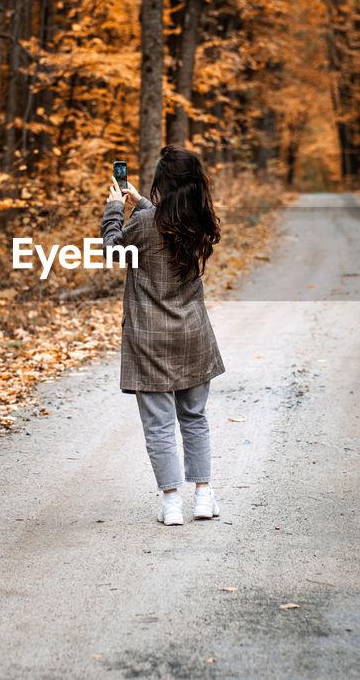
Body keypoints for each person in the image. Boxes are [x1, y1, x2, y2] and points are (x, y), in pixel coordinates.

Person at [101, 145, 225, 526]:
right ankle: (203, 495)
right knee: (194, 417)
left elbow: (112, 251)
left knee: (159, 424)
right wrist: (141, 205)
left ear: (162, 184)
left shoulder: (145, 224)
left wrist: (114, 210)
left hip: (150, 338)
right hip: (193, 336)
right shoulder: (201, 222)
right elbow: (161, 227)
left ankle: (172, 503)